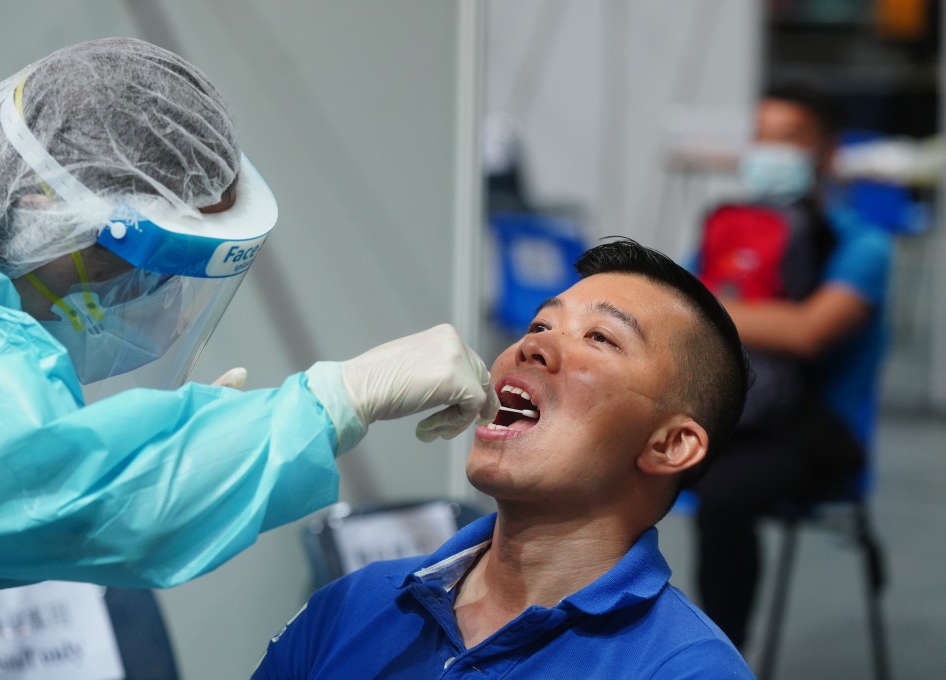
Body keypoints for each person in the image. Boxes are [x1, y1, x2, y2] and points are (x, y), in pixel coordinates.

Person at [0, 38, 498, 679]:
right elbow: (73, 499)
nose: (151, 298)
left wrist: (200, 449)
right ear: (42, 212)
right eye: (144, 267)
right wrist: (336, 402)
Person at [253, 238, 755, 679]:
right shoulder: (353, 604)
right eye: (540, 323)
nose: (533, 344)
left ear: (670, 445)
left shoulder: (687, 668)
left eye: (600, 337)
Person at [691, 84, 894, 649]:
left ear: (828, 154)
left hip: (814, 433)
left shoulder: (864, 245)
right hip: (735, 414)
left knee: (722, 494)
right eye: (760, 136)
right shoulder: (729, 230)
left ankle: (720, 656)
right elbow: (669, 302)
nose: (767, 150)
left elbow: (808, 332)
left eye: (787, 139)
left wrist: (706, 302)